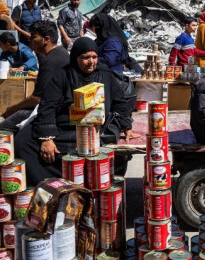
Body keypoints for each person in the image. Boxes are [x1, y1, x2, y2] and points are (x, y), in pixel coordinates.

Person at [15, 38, 135, 185]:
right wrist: (47, 138)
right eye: (85, 58)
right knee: (22, 142)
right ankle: (48, 186)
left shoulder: (105, 74)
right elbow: (48, 106)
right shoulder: (62, 75)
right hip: (63, 126)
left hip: (93, 128)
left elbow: (120, 102)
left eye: (94, 57)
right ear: (75, 57)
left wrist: (126, 125)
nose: (91, 62)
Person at [0, 21, 68, 133]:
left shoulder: (50, 61)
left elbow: (36, 98)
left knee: (3, 129)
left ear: (46, 39)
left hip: (52, 111)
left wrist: (13, 108)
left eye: (33, 36)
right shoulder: (61, 52)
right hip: (52, 106)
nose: (29, 39)